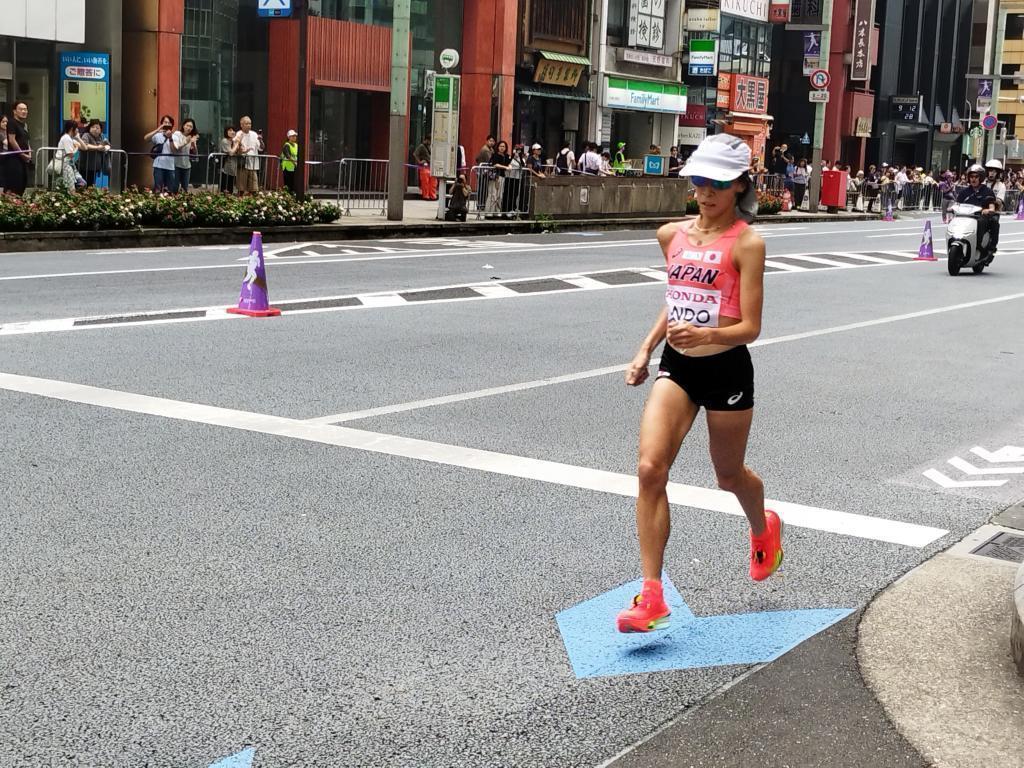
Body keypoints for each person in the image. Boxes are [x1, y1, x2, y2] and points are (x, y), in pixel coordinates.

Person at [616, 133, 779, 634]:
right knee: (649, 469)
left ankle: (763, 529)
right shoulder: (671, 235)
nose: (705, 192)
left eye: (718, 184)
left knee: (728, 476)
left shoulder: (748, 243)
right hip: (679, 365)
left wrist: (708, 334)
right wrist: (646, 349)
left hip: (727, 369)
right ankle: (651, 595)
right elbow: (675, 299)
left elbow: (751, 326)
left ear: (740, 186)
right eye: (700, 181)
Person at [956, 164, 998, 253]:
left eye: (976, 177)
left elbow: (992, 207)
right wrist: (951, 208)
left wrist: (988, 210)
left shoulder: (987, 191)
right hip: (965, 217)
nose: (973, 179)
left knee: (985, 221)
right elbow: (957, 204)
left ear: (981, 178)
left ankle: (979, 245)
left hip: (980, 217)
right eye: (971, 177)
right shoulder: (964, 192)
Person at [144, 115, 178, 193]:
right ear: (161, 123)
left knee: (169, 190)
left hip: (170, 166)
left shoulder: (175, 137)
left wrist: (170, 138)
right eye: (165, 122)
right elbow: (146, 138)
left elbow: (174, 151)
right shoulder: (158, 135)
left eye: (169, 123)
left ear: (172, 125)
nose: (167, 124)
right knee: (158, 189)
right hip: (158, 166)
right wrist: (157, 130)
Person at [5, 102, 32, 196]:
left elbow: (27, 141)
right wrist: (22, 154)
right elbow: (12, 140)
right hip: (14, 159)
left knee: (22, 184)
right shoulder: (12, 123)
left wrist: (29, 154)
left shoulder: (24, 125)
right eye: (21, 109)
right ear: (14, 111)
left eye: (25, 109)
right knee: (14, 186)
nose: (24, 111)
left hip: (24, 160)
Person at [232, 116, 263, 195]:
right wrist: (242, 148)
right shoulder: (238, 134)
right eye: (246, 123)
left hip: (253, 164)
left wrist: (261, 140)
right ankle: (240, 200)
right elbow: (236, 147)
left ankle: (252, 201)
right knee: (241, 188)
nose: (249, 125)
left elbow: (261, 148)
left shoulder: (254, 134)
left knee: (254, 189)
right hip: (243, 163)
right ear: (241, 125)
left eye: (250, 123)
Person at [77, 120, 111, 188]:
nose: (95, 129)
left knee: (91, 185)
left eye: (97, 128)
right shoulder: (86, 135)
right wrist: (97, 148)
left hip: (95, 167)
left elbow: (108, 145)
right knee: (83, 185)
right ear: (89, 128)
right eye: (93, 127)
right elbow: (85, 145)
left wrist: (106, 147)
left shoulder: (102, 136)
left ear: (100, 130)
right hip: (85, 166)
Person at [54, 120, 85, 193]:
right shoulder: (66, 138)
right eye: (76, 128)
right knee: (69, 188)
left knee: (80, 184)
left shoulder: (70, 139)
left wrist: (78, 138)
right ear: (72, 129)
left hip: (70, 166)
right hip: (65, 166)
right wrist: (76, 148)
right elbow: (70, 154)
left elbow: (84, 148)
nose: (77, 130)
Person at [175, 118, 199, 193]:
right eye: (187, 125)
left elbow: (195, 154)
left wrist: (193, 143)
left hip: (187, 166)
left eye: (191, 127)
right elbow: (176, 148)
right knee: (174, 188)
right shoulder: (177, 134)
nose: (188, 128)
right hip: (176, 165)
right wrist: (186, 141)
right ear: (183, 126)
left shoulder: (192, 137)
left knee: (185, 189)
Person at [487, 139, 511, 214]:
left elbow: (509, 163)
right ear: (498, 147)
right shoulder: (495, 155)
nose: (502, 148)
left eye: (504, 146)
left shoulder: (507, 156)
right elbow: (495, 164)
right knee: (493, 194)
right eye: (500, 146)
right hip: (495, 177)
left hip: (502, 177)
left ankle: (497, 212)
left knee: (499, 195)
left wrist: (509, 166)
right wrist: (505, 167)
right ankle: (489, 213)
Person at [414, 135, 437, 200]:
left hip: (431, 166)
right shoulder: (421, 146)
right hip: (424, 166)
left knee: (433, 182)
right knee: (425, 182)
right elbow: (415, 154)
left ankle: (432, 195)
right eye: (430, 141)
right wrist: (419, 161)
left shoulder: (431, 146)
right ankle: (426, 196)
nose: (430, 142)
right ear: (427, 140)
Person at [219, 126, 238, 194]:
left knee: (230, 188)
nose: (232, 132)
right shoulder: (225, 141)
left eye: (233, 130)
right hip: (225, 168)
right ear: (226, 132)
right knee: (225, 188)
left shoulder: (233, 141)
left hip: (233, 167)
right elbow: (231, 153)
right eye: (230, 130)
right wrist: (237, 144)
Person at [281, 129, 299, 194]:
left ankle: (292, 195)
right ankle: (287, 195)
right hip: (287, 167)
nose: (294, 137)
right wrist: (295, 163)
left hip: (294, 167)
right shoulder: (286, 145)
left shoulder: (296, 145)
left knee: (293, 183)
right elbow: (288, 156)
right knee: (288, 183)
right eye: (293, 136)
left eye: (295, 136)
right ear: (289, 137)